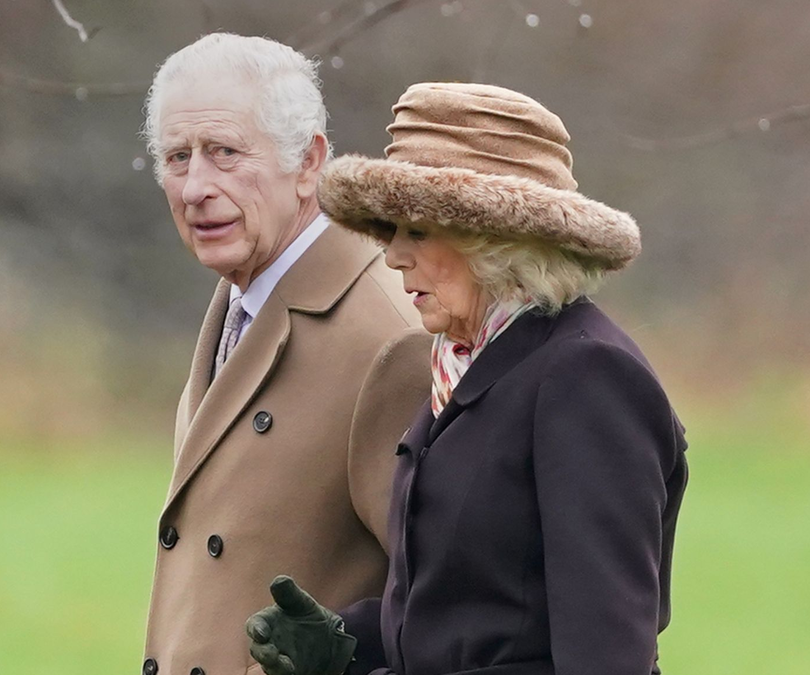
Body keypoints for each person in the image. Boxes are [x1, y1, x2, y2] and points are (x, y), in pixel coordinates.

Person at [245, 83, 689, 675]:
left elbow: (605, 655)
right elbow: (477, 605)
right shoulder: (468, 361)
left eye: (418, 231)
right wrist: (345, 643)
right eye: (391, 230)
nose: (393, 255)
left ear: (495, 238)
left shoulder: (586, 377)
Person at [140, 34, 431, 675]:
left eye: (224, 153)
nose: (194, 188)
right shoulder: (240, 296)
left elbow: (444, 602)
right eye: (176, 157)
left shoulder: (388, 334)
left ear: (308, 163)